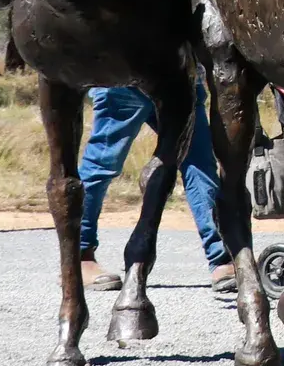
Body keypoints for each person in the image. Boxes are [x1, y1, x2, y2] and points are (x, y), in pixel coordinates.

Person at [75, 82, 233, 293]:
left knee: (199, 164)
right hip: (126, 77)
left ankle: (221, 257)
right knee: (103, 163)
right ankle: (80, 256)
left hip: (180, 80)